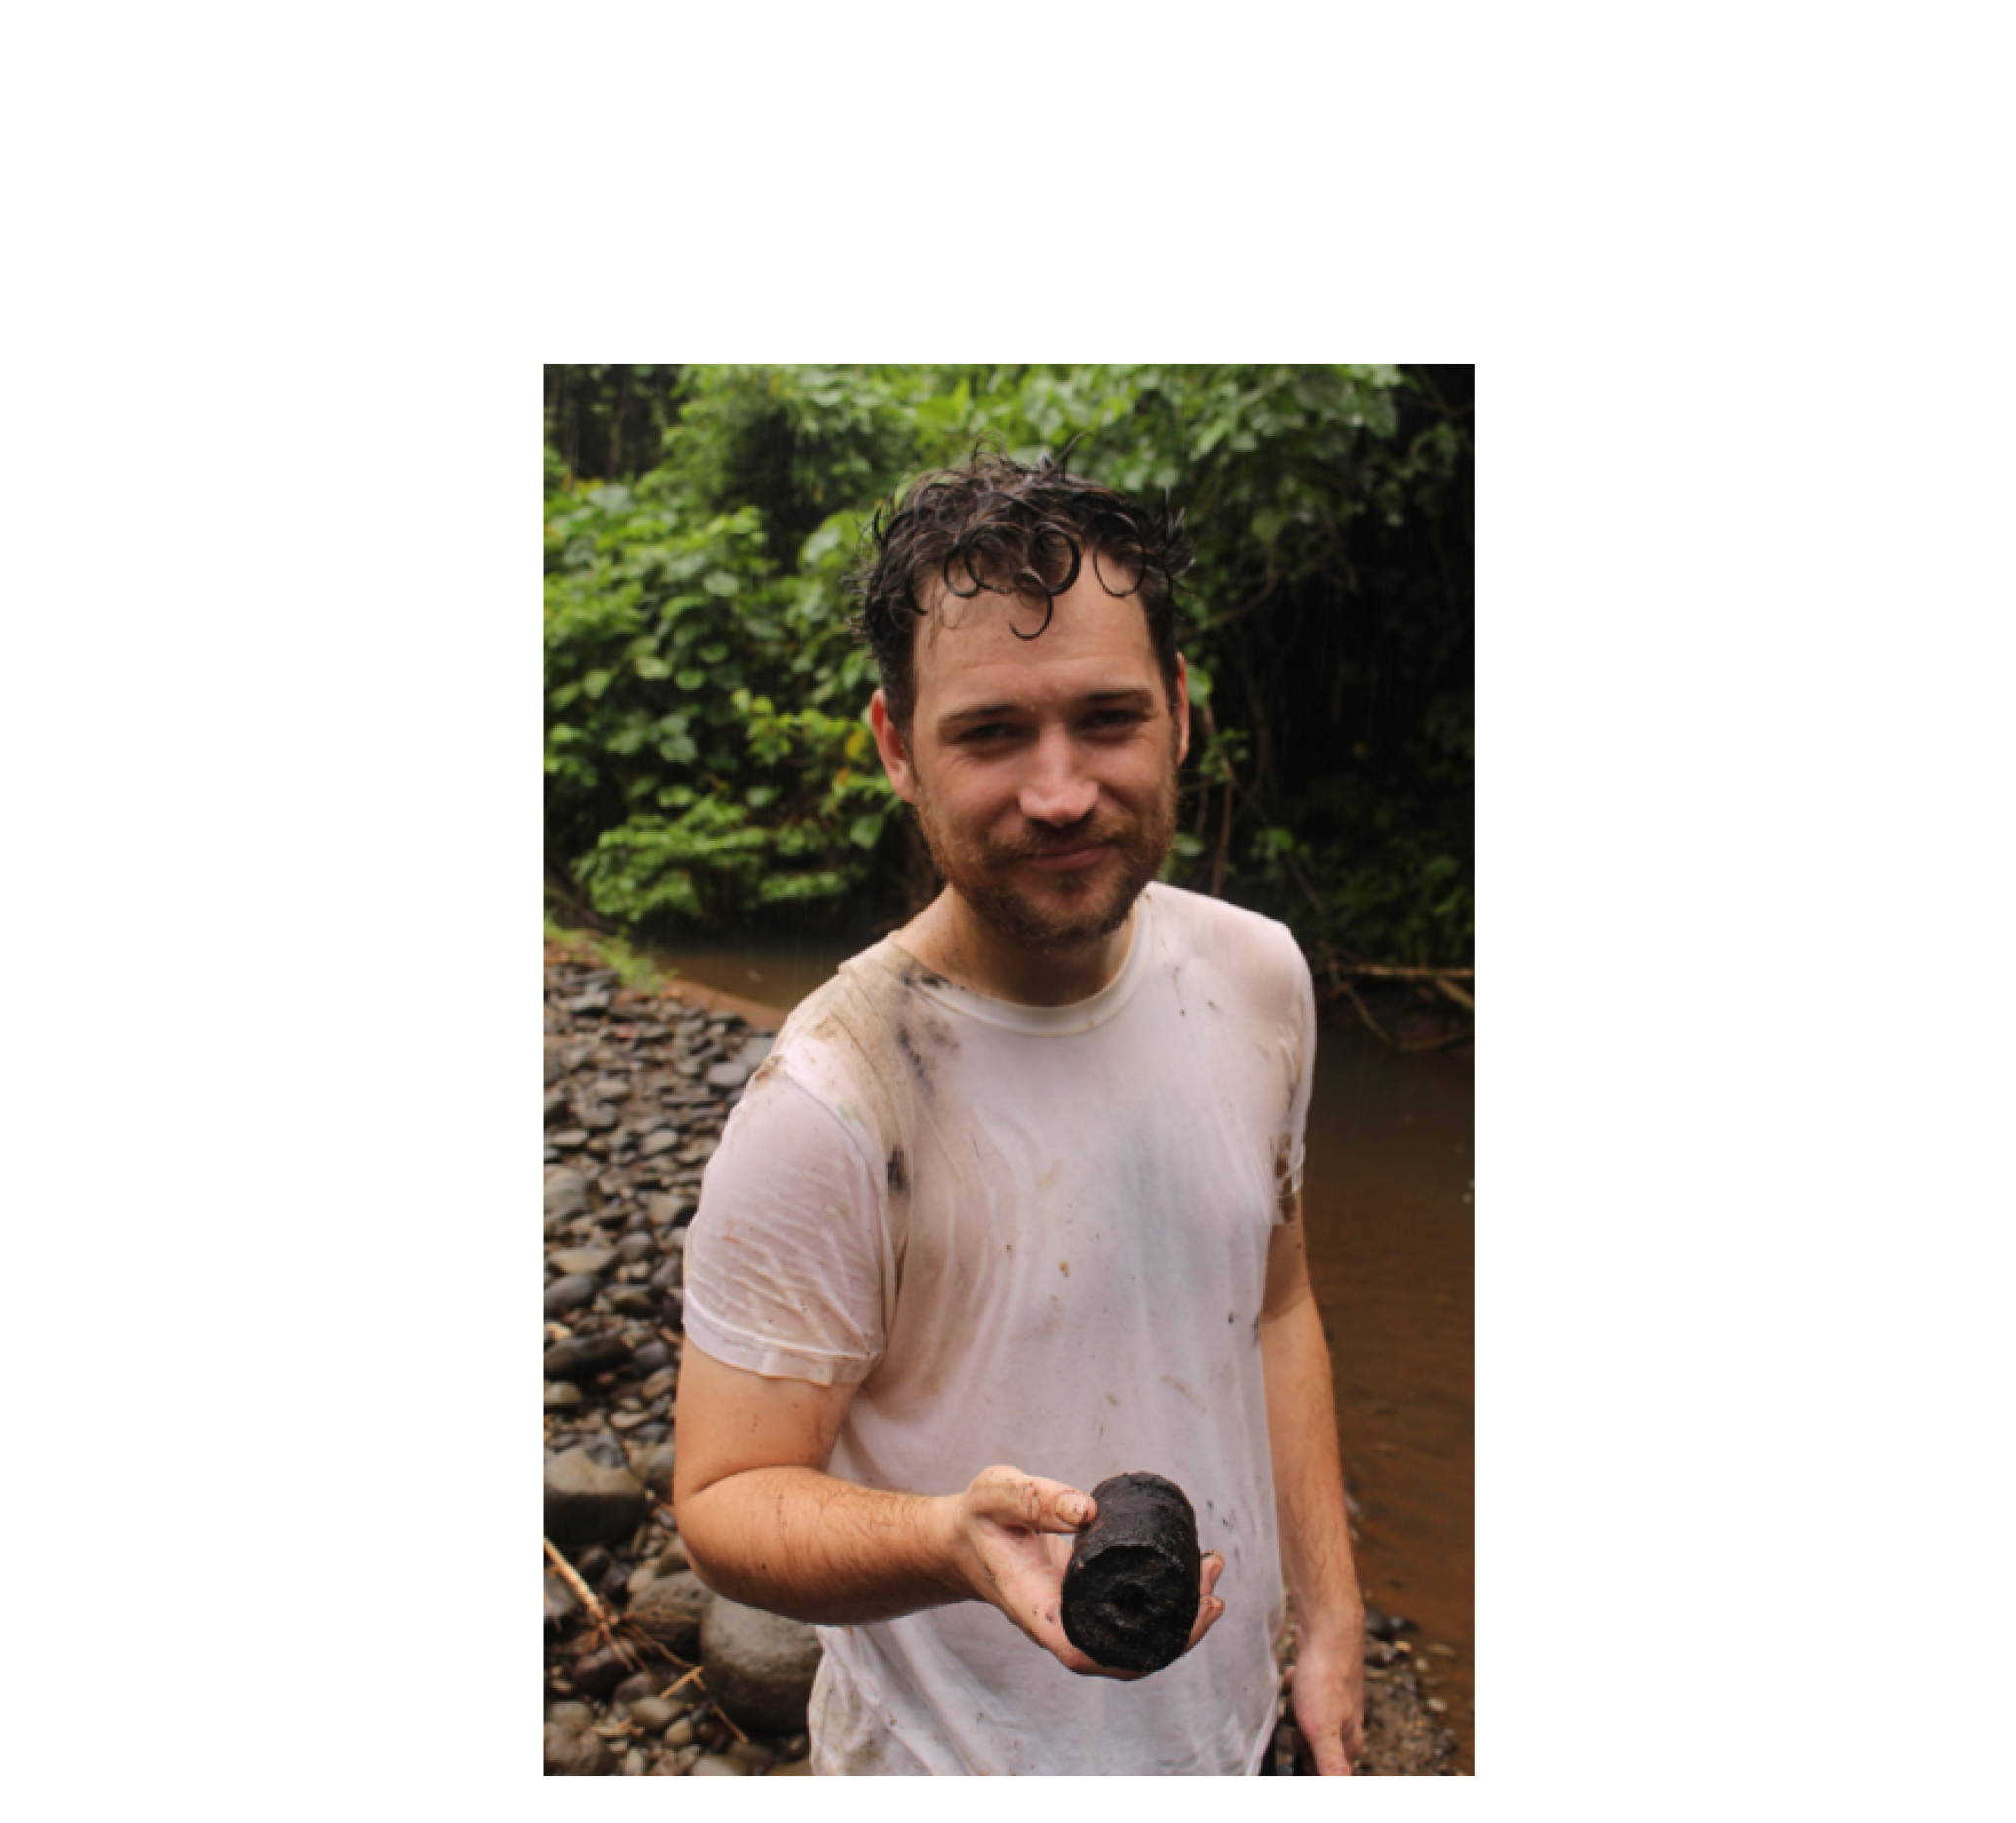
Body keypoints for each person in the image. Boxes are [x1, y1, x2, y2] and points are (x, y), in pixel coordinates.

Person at [672, 448, 1366, 1775]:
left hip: (1221, 1740)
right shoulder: (833, 1098)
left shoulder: (1259, 978)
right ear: (896, 750)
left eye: (1106, 718)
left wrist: (1330, 1617)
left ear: (1177, 707)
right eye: (991, 733)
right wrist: (944, 1540)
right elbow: (722, 1501)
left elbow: (1274, 1303)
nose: (1060, 791)